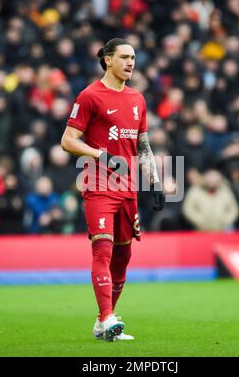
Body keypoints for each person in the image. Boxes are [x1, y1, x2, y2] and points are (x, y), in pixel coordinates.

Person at [61, 38, 165, 342]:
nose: (131, 63)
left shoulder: (137, 99)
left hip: (129, 187)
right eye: (124, 57)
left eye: (133, 57)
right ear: (107, 60)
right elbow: (68, 140)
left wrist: (155, 183)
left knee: (123, 257)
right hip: (98, 182)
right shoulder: (90, 96)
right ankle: (107, 317)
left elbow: (143, 145)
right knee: (102, 248)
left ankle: (103, 320)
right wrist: (99, 155)